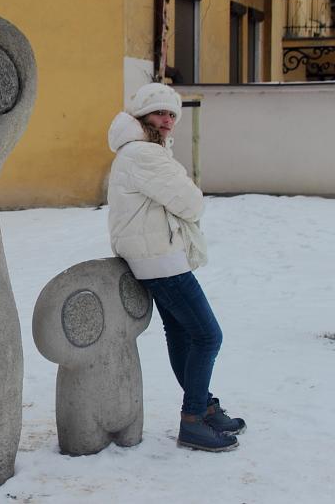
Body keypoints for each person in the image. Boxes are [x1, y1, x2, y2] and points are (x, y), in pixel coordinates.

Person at [106, 82, 245, 452]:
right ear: (142, 116)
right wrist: (190, 191)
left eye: (172, 114)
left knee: (183, 335)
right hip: (160, 260)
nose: (167, 120)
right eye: (159, 113)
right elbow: (191, 203)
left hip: (153, 255)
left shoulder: (141, 150)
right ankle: (194, 419)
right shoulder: (143, 153)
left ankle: (205, 407)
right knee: (208, 336)